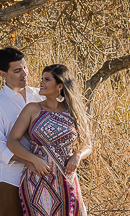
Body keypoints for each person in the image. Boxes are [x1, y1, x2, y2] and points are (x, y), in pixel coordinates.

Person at [6, 64, 92, 216]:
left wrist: (77, 155)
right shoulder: (32, 109)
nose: (41, 83)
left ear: (60, 85)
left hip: (67, 179)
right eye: (42, 79)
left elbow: (88, 145)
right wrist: (33, 159)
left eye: (47, 80)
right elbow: (12, 141)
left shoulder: (74, 111)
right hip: (38, 179)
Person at [0, 47, 43, 216]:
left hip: (44, 177)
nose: (24, 73)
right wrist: (29, 161)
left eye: (25, 67)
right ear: (2, 74)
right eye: (17, 71)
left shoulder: (41, 96)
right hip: (12, 179)